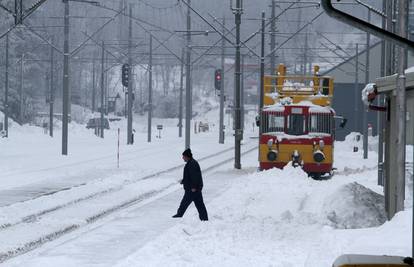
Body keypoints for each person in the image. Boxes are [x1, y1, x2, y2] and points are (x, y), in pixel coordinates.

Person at [172, 148, 208, 221]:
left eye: (183, 156)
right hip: (195, 188)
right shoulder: (191, 163)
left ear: (187, 156)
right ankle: (204, 218)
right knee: (200, 204)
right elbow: (190, 176)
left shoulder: (192, 164)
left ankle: (179, 215)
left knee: (184, 203)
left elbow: (195, 176)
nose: (182, 158)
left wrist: (194, 187)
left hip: (192, 189)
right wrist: (184, 181)